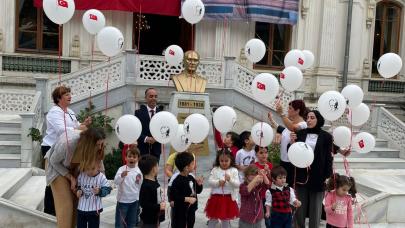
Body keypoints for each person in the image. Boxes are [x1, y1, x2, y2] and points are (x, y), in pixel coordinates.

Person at [290, 110, 349, 228]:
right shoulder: (301, 133)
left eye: (312, 117)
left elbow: (328, 157)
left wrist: (327, 176)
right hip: (301, 176)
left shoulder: (326, 136)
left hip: (318, 176)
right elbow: (293, 152)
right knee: (300, 207)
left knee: (315, 209)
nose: (308, 120)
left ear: (318, 119)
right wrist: (291, 142)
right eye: (307, 117)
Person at [41, 85, 91, 215]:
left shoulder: (70, 111)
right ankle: (49, 211)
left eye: (70, 93)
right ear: (58, 98)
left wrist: (84, 124)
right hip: (51, 148)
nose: (70, 96)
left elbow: (76, 127)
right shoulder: (54, 112)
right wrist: (79, 129)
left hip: (65, 147)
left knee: (62, 179)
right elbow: (62, 130)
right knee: (54, 178)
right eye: (66, 94)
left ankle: (58, 210)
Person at [45, 127, 106, 228]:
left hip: (75, 169)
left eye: (101, 144)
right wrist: (71, 178)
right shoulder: (67, 143)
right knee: (66, 205)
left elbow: (99, 166)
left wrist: (102, 186)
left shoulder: (96, 146)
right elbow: (54, 161)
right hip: (56, 166)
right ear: (88, 143)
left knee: (76, 205)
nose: (99, 147)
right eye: (97, 145)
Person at [267, 100, 307, 186]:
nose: (287, 110)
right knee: (282, 188)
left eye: (290, 108)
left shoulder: (303, 125)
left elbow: (293, 128)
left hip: (292, 164)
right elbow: (281, 128)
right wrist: (271, 120)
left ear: (297, 111)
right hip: (283, 162)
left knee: (289, 189)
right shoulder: (289, 124)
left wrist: (282, 114)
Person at [205, 149, 240, 228]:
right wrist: (218, 182)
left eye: (226, 161)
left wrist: (230, 180)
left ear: (231, 160)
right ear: (218, 160)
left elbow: (237, 184)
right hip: (216, 198)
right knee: (213, 219)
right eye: (221, 161)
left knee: (226, 219)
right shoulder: (215, 169)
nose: (224, 163)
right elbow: (210, 181)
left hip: (228, 199)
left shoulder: (234, 170)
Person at [171, 152, 204, 228]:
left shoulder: (191, 177)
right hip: (181, 212)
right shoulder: (177, 181)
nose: (194, 165)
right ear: (186, 167)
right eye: (192, 164)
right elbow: (175, 197)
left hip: (191, 210)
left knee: (190, 224)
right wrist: (187, 199)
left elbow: (197, 191)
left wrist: (199, 185)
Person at [76, 161, 111, 228]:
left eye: (93, 168)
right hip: (81, 208)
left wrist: (100, 191)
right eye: (87, 169)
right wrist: (79, 191)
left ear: (98, 167)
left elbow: (108, 189)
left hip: (94, 210)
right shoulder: (82, 175)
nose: (90, 171)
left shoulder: (101, 177)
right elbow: (78, 186)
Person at [114, 147, 143, 228]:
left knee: (132, 222)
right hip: (122, 201)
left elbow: (139, 186)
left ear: (138, 159)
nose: (132, 158)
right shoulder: (121, 169)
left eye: (134, 157)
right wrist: (121, 176)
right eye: (129, 156)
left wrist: (137, 198)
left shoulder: (138, 171)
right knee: (120, 223)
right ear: (125, 158)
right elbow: (116, 181)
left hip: (134, 201)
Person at [138, 155, 165, 228]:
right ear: (153, 168)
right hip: (148, 221)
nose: (158, 168)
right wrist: (159, 206)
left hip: (155, 218)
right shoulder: (146, 186)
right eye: (157, 166)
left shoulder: (154, 181)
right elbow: (144, 204)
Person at [135, 88, 161, 160]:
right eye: (151, 96)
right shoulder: (138, 113)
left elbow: (165, 131)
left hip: (156, 151)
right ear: (145, 98)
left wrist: (157, 138)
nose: (154, 98)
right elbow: (135, 131)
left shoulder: (162, 114)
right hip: (142, 150)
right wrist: (146, 138)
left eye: (155, 96)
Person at [254, 145, 273, 228]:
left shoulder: (270, 165)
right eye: (261, 152)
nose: (264, 155)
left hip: (267, 194)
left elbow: (272, 181)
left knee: (267, 214)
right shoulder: (254, 165)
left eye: (266, 152)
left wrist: (268, 171)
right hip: (257, 195)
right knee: (257, 213)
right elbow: (251, 179)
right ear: (256, 154)